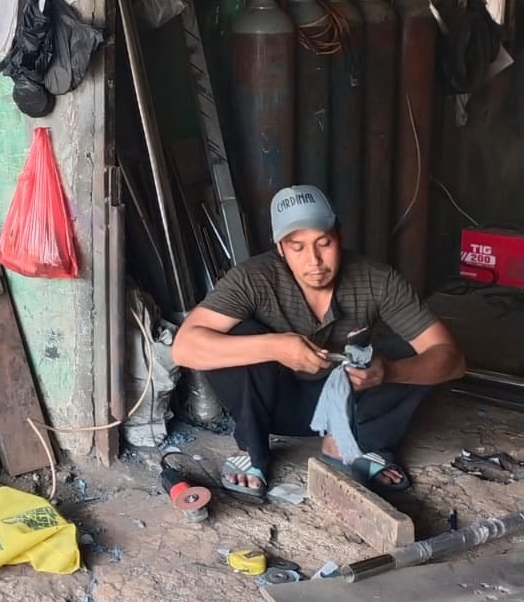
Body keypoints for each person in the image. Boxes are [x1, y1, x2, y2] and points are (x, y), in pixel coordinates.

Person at [170, 184, 465, 495]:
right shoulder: (252, 278)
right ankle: (252, 451)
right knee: (238, 337)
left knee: (409, 351)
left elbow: (453, 360)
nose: (314, 261)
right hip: (273, 404)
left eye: (324, 243)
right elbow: (184, 348)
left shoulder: (378, 279)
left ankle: (353, 443)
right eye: (297, 247)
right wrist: (275, 345)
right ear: (280, 248)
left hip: (348, 402)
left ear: (340, 236)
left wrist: (389, 371)